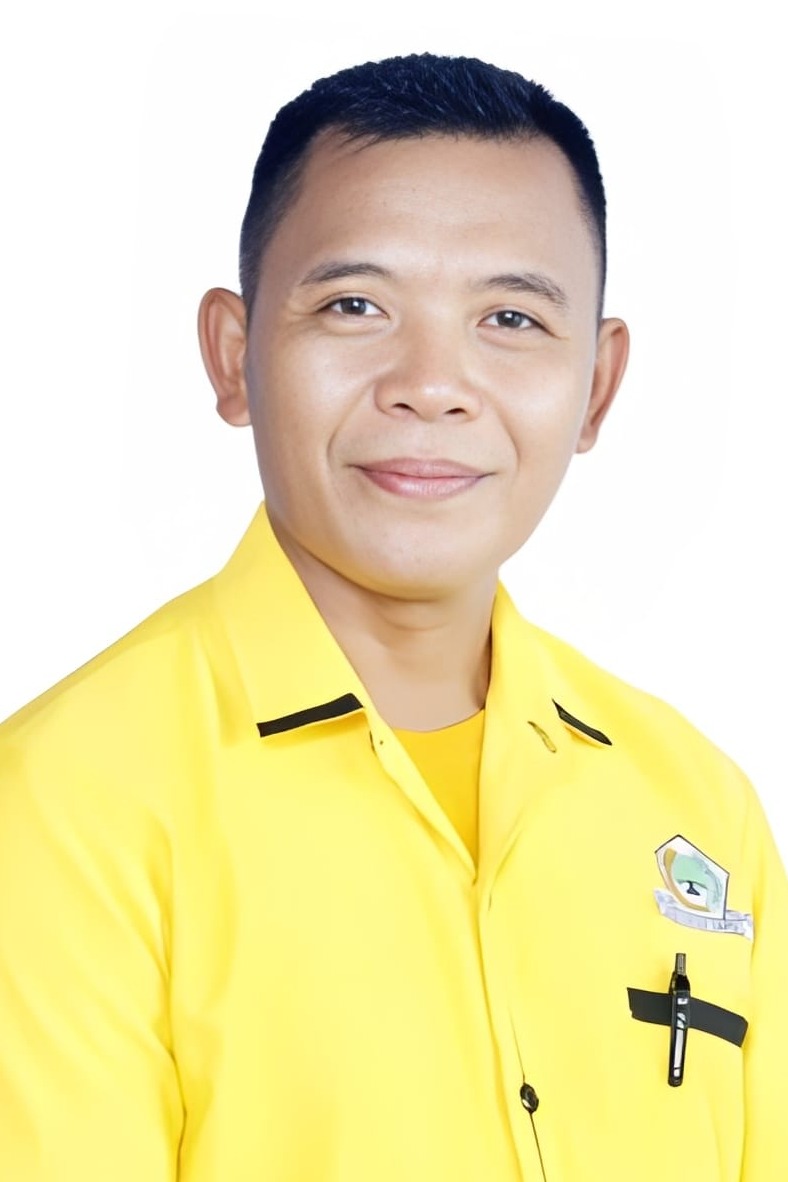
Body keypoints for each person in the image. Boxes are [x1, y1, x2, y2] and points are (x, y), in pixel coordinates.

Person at [0, 52, 785, 1182]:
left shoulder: (697, 805)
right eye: (355, 306)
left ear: (596, 388)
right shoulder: (67, 803)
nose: (431, 383)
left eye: (509, 317)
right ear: (235, 356)